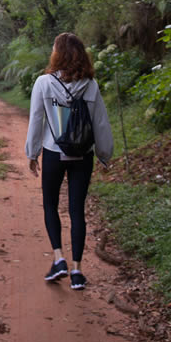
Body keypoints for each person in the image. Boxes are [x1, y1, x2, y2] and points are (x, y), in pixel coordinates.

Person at [25, 32, 114, 290]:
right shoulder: (90, 85)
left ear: (57, 54)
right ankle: (77, 271)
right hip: (82, 155)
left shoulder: (43, 83)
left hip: (53, 152)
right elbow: (100, 122)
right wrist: (104, 154)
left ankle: (58, 258)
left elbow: (36, 121)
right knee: (77, 211)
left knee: (50, 205)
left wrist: (32, 153)